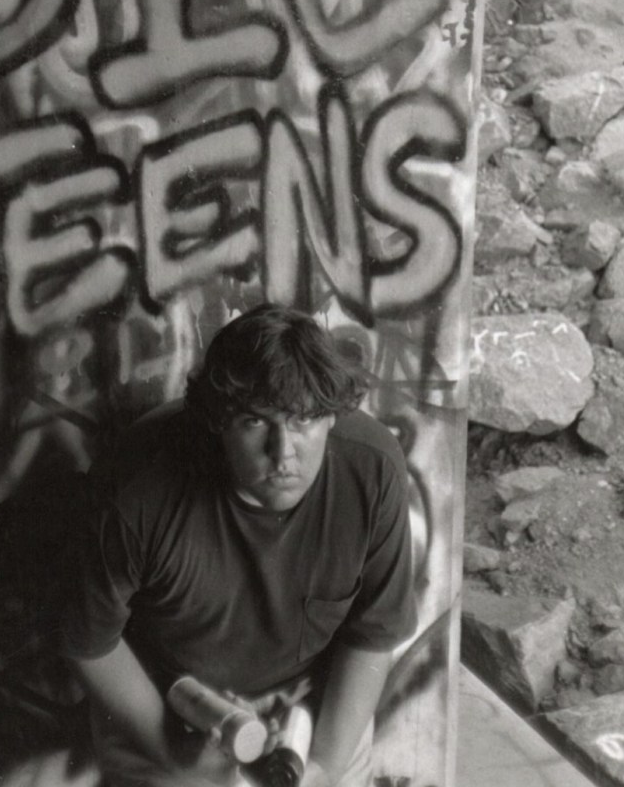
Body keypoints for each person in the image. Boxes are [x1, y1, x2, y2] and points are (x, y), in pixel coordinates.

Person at [58, 304, 416, 787]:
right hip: (170, 705)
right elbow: (89, 643)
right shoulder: (138, 487)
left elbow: (373, 635)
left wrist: (325, 769)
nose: (283, 451)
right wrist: (173, 754)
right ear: (217, 421)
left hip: (312, 712)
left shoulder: (372, 471)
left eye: (304, 420)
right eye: (254, 422)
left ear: (332, 418)